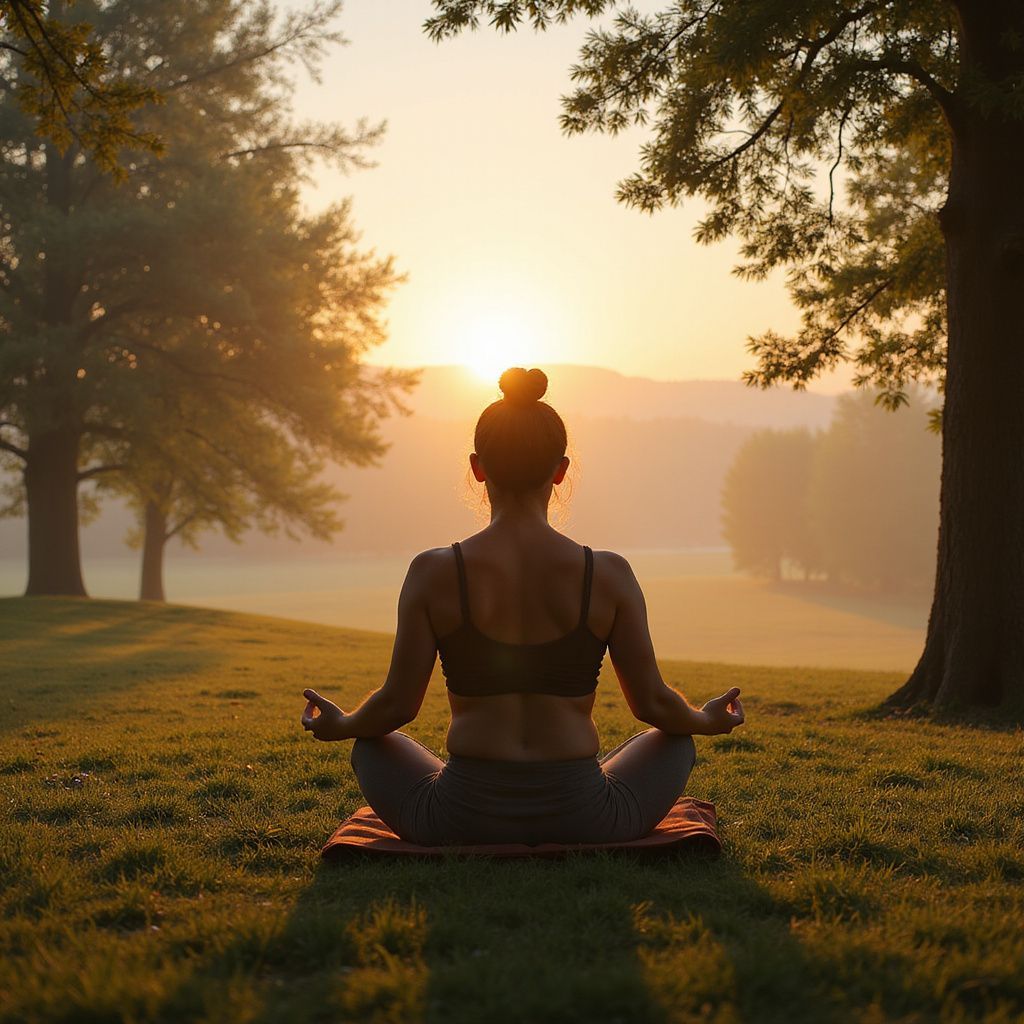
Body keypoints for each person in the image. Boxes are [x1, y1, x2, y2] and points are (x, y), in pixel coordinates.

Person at [300, 366, 745, 846]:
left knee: (373, 746)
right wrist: (706, 720)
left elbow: (396, 706)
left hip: (457, 818)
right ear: (561, 470)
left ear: (477, 467)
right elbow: (654, 705)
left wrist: (343, 725)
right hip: (588, 817)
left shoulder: (432, 572)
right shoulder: (608, 574)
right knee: (674, 741)